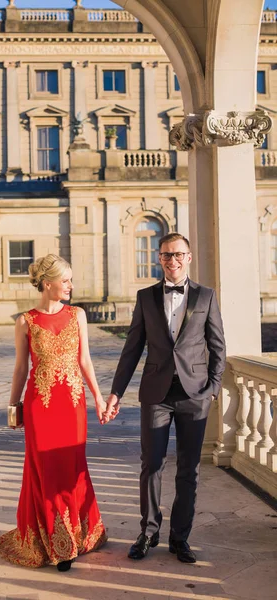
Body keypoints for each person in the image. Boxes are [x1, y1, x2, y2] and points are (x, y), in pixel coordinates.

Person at [105, 233, 226, 564]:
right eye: (165, 255)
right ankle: (148, 532)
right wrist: (116, 391)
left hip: (194, 394)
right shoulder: (145, 297)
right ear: (159, 259)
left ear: (188, 258)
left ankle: (180, 537)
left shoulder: (206, 296)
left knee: (188, 469)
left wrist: (212, 388)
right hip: (156, 394)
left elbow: (218, 346)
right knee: (152, 464)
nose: (171, 260)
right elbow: (132, 348)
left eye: (177, 255)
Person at [0, 254, 108, 571]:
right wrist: (13, 405)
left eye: (71, 280)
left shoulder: (78, 316)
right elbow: (21, 368)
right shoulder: (25, 321)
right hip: (39, 407)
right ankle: (55, 543)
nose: (71, 286)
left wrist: (98, 398)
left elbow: (85, 361)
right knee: (44, 470)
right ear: (48, 284)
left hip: (72, 405)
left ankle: (73, 535)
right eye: (66, 280)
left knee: (71, 468)